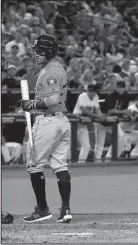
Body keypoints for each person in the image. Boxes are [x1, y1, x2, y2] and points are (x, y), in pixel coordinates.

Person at [19, 34, 72, 223]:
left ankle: (42, 210)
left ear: (48, 51)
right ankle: (65, 209)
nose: (36, 54)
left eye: (39, 51)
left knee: (33, 165)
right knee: (60, 165)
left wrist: (31, 105)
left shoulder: (50, 71)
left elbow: (51, 101)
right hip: (61, 122)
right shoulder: (57, 68)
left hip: (48, 121)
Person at [72, 84, 105, 163]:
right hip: (75, 123)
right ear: (87, 91)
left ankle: (80, 164)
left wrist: (101, 117)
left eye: (93, 91)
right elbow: (84, 110)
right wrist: (98, 116)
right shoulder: (82, 96)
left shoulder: (96, 96)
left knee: (87, 146)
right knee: (69, 146)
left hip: (84, 124)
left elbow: (97, 110)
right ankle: (67, 166)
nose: (92, 93)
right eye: (90, 91)